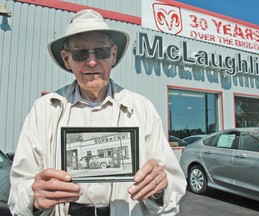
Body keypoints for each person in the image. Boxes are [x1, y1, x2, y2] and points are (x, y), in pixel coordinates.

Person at [8, 9, 186, 216]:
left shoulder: (142, 108)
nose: (92, 62)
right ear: (67, 60)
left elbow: (173, 187)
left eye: (100, 52)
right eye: (80, 53)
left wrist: (160, 188)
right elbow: (19, 193)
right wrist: (34, 198)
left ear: (113, 55)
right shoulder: (44, 110)